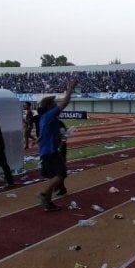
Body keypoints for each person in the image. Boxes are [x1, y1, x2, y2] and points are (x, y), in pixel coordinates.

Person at [36, 79, 76, 212]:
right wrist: (70, 90)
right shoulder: (49, 115)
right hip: (50, 152)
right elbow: (64, 103)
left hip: (46, 152)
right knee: (61, 174)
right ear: (48, 106)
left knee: (54, 176)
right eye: (53, 102)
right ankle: (43, 194)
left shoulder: (45, 119)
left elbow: (45, 136)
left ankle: (48, 203)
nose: (55, 104)